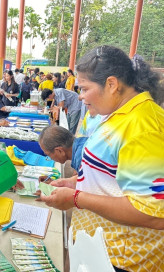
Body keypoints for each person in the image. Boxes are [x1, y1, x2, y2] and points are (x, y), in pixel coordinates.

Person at [41, 46, 164, 272]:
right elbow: (111, 177)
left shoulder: (143, 128)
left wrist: (77, 198)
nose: (80, 96)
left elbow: (152, 212)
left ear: (111, 84)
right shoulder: (118, 115)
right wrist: (75, 183)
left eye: (85, 88)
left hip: (123, 260)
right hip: (100, 250)